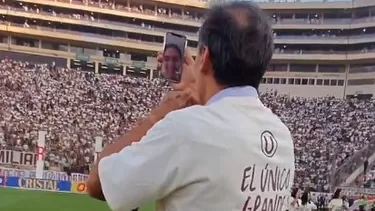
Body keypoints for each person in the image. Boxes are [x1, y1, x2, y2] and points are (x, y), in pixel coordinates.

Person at [86, 2, 295, 211]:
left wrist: (158, 116)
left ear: (204, 57)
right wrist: (199, 89)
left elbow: (98, 182)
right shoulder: (282, 137)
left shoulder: (184, 129)